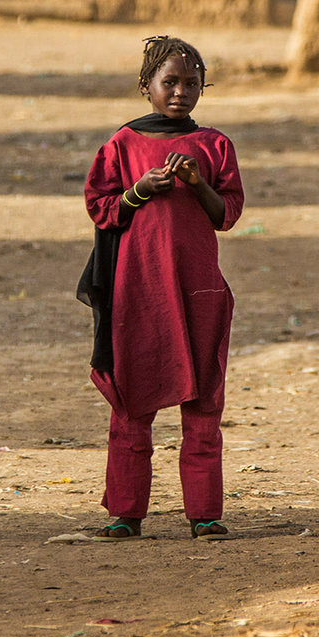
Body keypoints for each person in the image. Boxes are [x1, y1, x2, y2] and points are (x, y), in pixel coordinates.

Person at [76, 35, 244, 539]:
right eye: (169, 82)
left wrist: (199, 184)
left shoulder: (214, 146)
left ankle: (205, 514)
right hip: (140, 290)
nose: (180, 93)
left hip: (199, 289)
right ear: (145, 87)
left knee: (204, 400)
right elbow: (101, 206)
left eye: (191, 83)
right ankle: (125, 514)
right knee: (133, 396)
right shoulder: (123, 144)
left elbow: (227, 214)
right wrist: (139, 190)